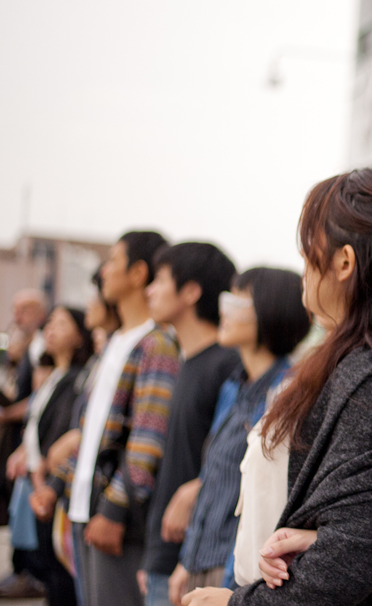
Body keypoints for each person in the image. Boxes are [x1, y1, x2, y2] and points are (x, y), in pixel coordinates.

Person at [183, 168, 372, 606]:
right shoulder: (347, 362)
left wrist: (235, 602)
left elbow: (351, 549)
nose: (304, 267)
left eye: (309, 252)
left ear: (344, 262)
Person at [34, 230, 181, 606]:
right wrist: (56, 484)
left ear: (137, 273)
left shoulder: (156, 343)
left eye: (114, 261)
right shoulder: (114, 343)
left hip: (115, 519)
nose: (105, 272)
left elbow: (148, 439)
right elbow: (90, 434)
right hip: (85, 509)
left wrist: (115, 509)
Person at [169, 267, 310, 604]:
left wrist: (236, 591)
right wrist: (187, 560)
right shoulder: (234, 387)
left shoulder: (288, 394)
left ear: (269, 312)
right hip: (206, 560)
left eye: (238, 301)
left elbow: (266, 500)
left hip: (238, 575)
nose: (224, 310)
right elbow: (216, 481)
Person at [139, 243, 242, 606]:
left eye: (161, 280)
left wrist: (195, 488)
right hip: (163, 552)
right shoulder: (186, 362)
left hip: (196, 557)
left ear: (191, 291)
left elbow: (235, 459)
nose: (149, 290)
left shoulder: (227, 365)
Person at [6, 305, 93, 606]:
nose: (51, 330)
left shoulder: (78, 378)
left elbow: (62, 433)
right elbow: (35, 423)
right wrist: (23, 452)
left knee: (58, 568)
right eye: (50, 323)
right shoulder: (56, 375)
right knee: (47, 562)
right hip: (40, 478)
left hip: (54, 480)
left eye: (62, 323)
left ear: (81, 335)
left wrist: (44, 476)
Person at [0, 289, 50, 599]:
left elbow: (39, 399)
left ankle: (31, 574)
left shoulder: (43, 345)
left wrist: (5, 415)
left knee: (29, 508)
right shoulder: (27, 346)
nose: (17, 317)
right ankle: (21, 570)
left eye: (24, 310)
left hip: (33, 438)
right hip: (25, 437)